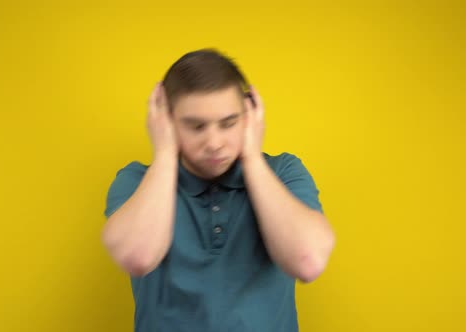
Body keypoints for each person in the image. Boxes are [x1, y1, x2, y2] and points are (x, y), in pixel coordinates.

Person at [101, 49, 335, 332]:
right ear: (167, 122)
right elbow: (137, 256)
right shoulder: (136, 180)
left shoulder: (283, 172)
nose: (214, 142)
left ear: (250, 117)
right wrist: (164, 153)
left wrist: (251, 157)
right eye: (196, 126)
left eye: (228, 123)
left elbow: (307, 261)